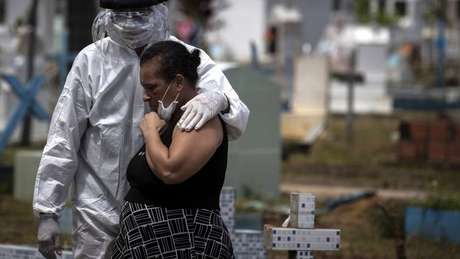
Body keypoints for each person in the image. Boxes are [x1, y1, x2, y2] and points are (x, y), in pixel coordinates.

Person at [33, 0, 249, 258]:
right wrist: (48, 209)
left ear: (160, 12)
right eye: (124, 16)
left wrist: (219, 100)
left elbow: (237, 116)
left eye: (140, 15)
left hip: (162, 215)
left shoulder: (184, 58)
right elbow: (63, 136)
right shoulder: (91, 61)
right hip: (97, 207)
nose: (132, 23)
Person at [110, 40, 233, 259]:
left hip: (184, 243)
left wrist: (150, 132)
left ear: (177, 82)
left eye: (152, 87)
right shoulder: (169, 121)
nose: (146, 96)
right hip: (147, 245)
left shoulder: (199, 118)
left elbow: (170, 170)